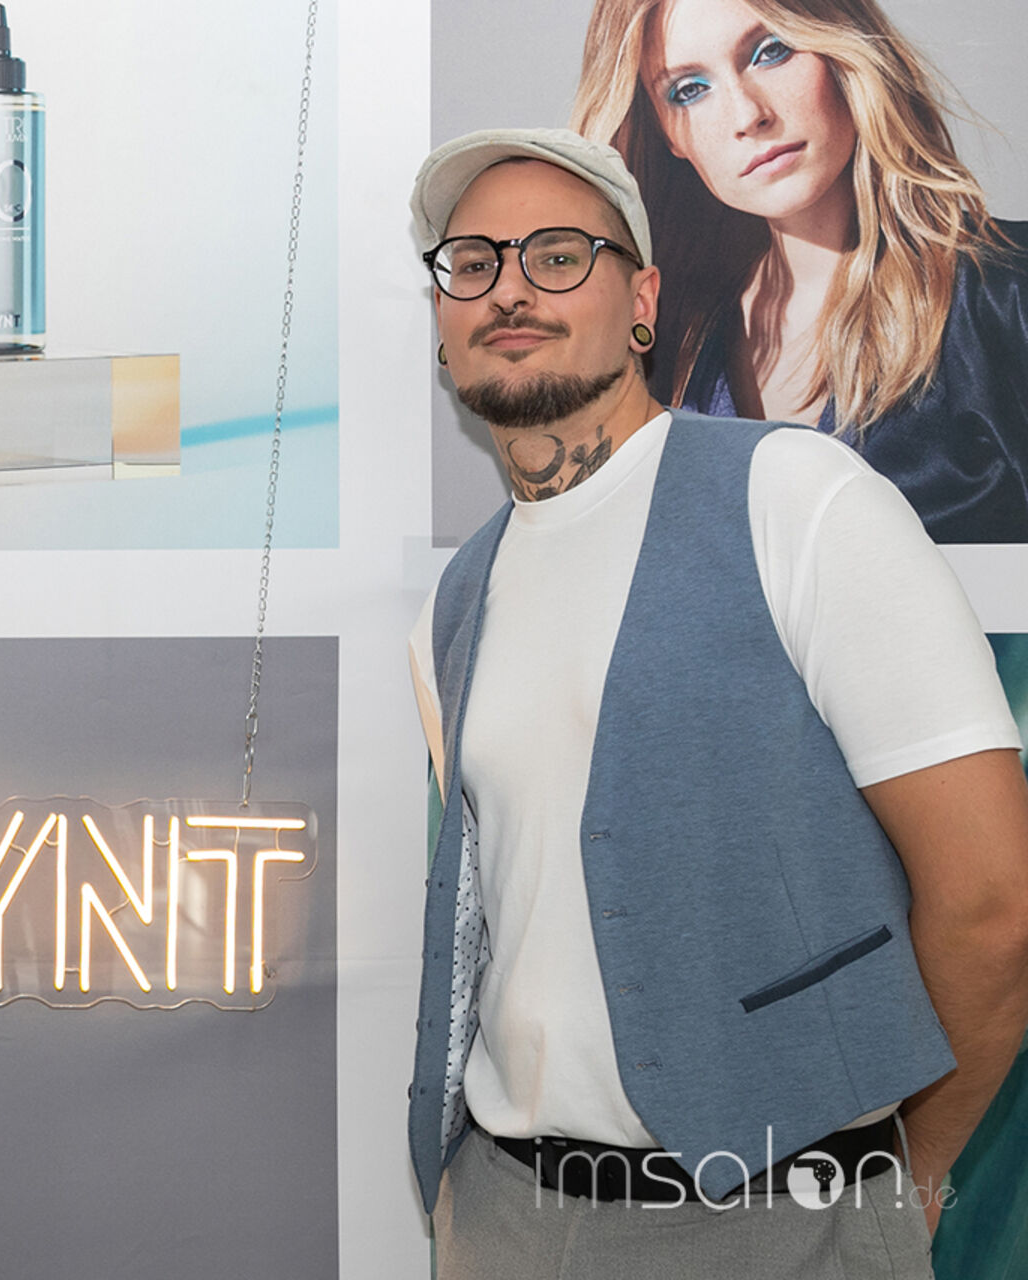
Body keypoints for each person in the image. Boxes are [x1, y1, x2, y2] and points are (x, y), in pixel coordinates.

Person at [405, 127, 1028, 1276]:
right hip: (502, 1218)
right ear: (444, 319)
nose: (509, 290)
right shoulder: (459, 595)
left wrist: (899, 1186)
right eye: (472, 262)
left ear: (643, 300)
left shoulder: (797, 497)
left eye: (557, 255)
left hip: (782, 1222)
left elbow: (994, 904)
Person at [571, 0, 1028, 543]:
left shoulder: (1005, 293)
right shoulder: (667, 347)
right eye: (689, 90)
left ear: (842, 46)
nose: (748, 115)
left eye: (772, 51)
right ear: (669, 135)